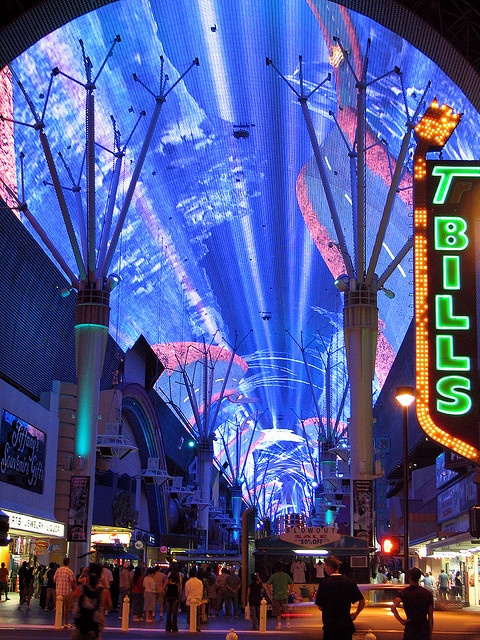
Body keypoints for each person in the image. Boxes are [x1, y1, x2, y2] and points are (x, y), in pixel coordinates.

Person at [314, 555, 365, 640]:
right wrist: (356, 614)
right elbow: (362, 601)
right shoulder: (350, 582)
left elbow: (320, 606)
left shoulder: (324, 584)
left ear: (330, 567)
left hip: (330, 627)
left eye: (325, 566)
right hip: (345, 626)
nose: (325, 569)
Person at [391, 566, 434, 640]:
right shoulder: (428, 594)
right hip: (424, 629)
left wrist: (402, 621)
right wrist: (430, 634)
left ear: (409, 577)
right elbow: (430, 616)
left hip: (411, 628)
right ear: (419, 578)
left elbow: (393, 607)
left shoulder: (404, 592)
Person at [71, 562, 112, 640]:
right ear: (100, 575)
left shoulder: (81, 589)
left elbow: (72, 600)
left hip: (80, 628)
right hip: (94, 629)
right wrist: (105, 584)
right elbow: (109, 606)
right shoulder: (103, 592)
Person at [266, 561, 293, 631]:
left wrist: (270, 592)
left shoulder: (273, 576)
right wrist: (289, 592)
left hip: (276, 597)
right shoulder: (286, 575)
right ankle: (288, 623)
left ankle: (279, 624)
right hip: (284, 596)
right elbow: (292, 583)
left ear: (276, 569)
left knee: (278, 612)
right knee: (286, 611)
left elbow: (268, 584)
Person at [54, 557, 77, 628]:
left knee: (58, 608)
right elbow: (73, 581)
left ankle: (58, 622)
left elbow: (54, 579)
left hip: (58, 592)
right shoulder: (69, 571)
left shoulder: (58, 570)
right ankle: (66, 622)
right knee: (66, 609)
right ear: (68, 563)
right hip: (67, 592)